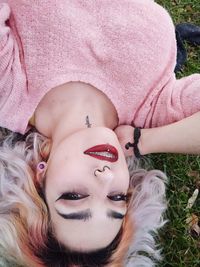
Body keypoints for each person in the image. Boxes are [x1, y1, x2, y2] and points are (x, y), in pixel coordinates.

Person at [0, 0, 199, 266]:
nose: (105, 177)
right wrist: (146, 141)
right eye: (116, 198)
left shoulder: (9, 90)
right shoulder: (152, 109)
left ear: (39, 178)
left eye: (75, 196)